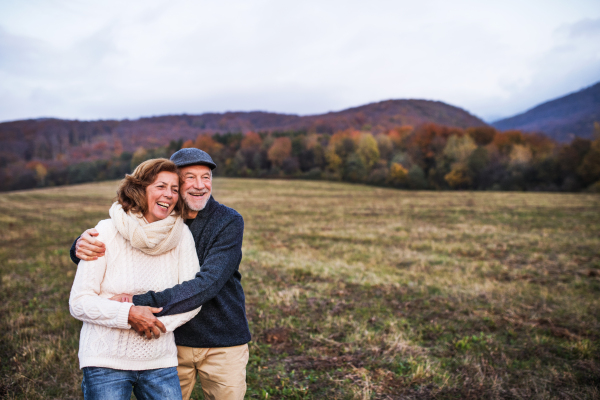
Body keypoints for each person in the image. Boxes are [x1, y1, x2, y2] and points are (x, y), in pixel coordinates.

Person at [71, 148, 251, 400]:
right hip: (172, 342)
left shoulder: (227, 221)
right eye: (189, 178)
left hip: (220, 340)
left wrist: (134, 304)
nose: (200, 186)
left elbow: (207, 283)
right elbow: (122, 233)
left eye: (206, 177)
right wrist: (78, 246)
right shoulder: (161, 218)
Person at [69, 158, 202, 399]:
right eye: (161, 186)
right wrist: (128, 314)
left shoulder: (181, 235)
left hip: (159, 361)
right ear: (140, 189)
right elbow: (79, 302)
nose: (169, 195)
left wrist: (151, 322)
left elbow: (192, 297)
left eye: (174, 189)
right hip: (104, 361)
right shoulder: (106, 231)